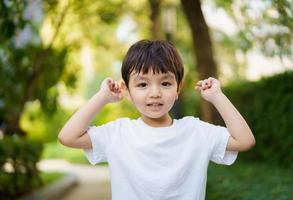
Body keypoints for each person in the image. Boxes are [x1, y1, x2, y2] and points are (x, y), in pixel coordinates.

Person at [58, 40, 256, 200]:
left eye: (166, 83)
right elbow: (68, 137)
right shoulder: (118, 133)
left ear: (178, 88)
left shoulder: (195, 131)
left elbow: (244, 141)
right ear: (127, 90)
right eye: (142, 84)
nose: (155, 93)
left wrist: (217, 97)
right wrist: (102, 97)